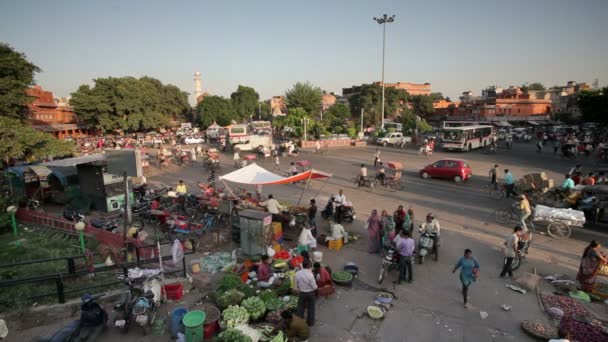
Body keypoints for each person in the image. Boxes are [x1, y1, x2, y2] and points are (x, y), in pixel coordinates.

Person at [295, 260, 317, 326]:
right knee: (311, 308)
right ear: (308, 266)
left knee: (300, 307)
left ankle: (299, 322)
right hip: (310, 294)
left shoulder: (297, 273)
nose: (311, 266)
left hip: (302, 293)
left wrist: (298, 289)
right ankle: (310, 322)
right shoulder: (310, 275)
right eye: (310, 265)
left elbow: (295, 286)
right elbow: (314, 287)